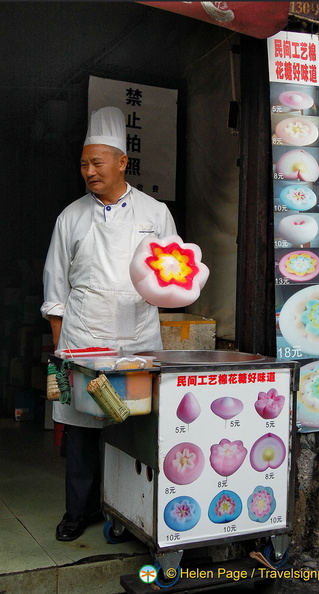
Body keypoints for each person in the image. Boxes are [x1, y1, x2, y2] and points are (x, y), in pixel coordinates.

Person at [41, 106, 176, 541]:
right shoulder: (70, 217)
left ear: (122, 162)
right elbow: (55, 288)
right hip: (83, 339)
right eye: (83, 164)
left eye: (97, 163)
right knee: (81, 431)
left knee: (134, 429)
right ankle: (77, 512)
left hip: (138, 339)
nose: (89, 172)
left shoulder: (155, 214)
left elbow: (175, 274)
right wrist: (60, 352)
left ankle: (128, 512)